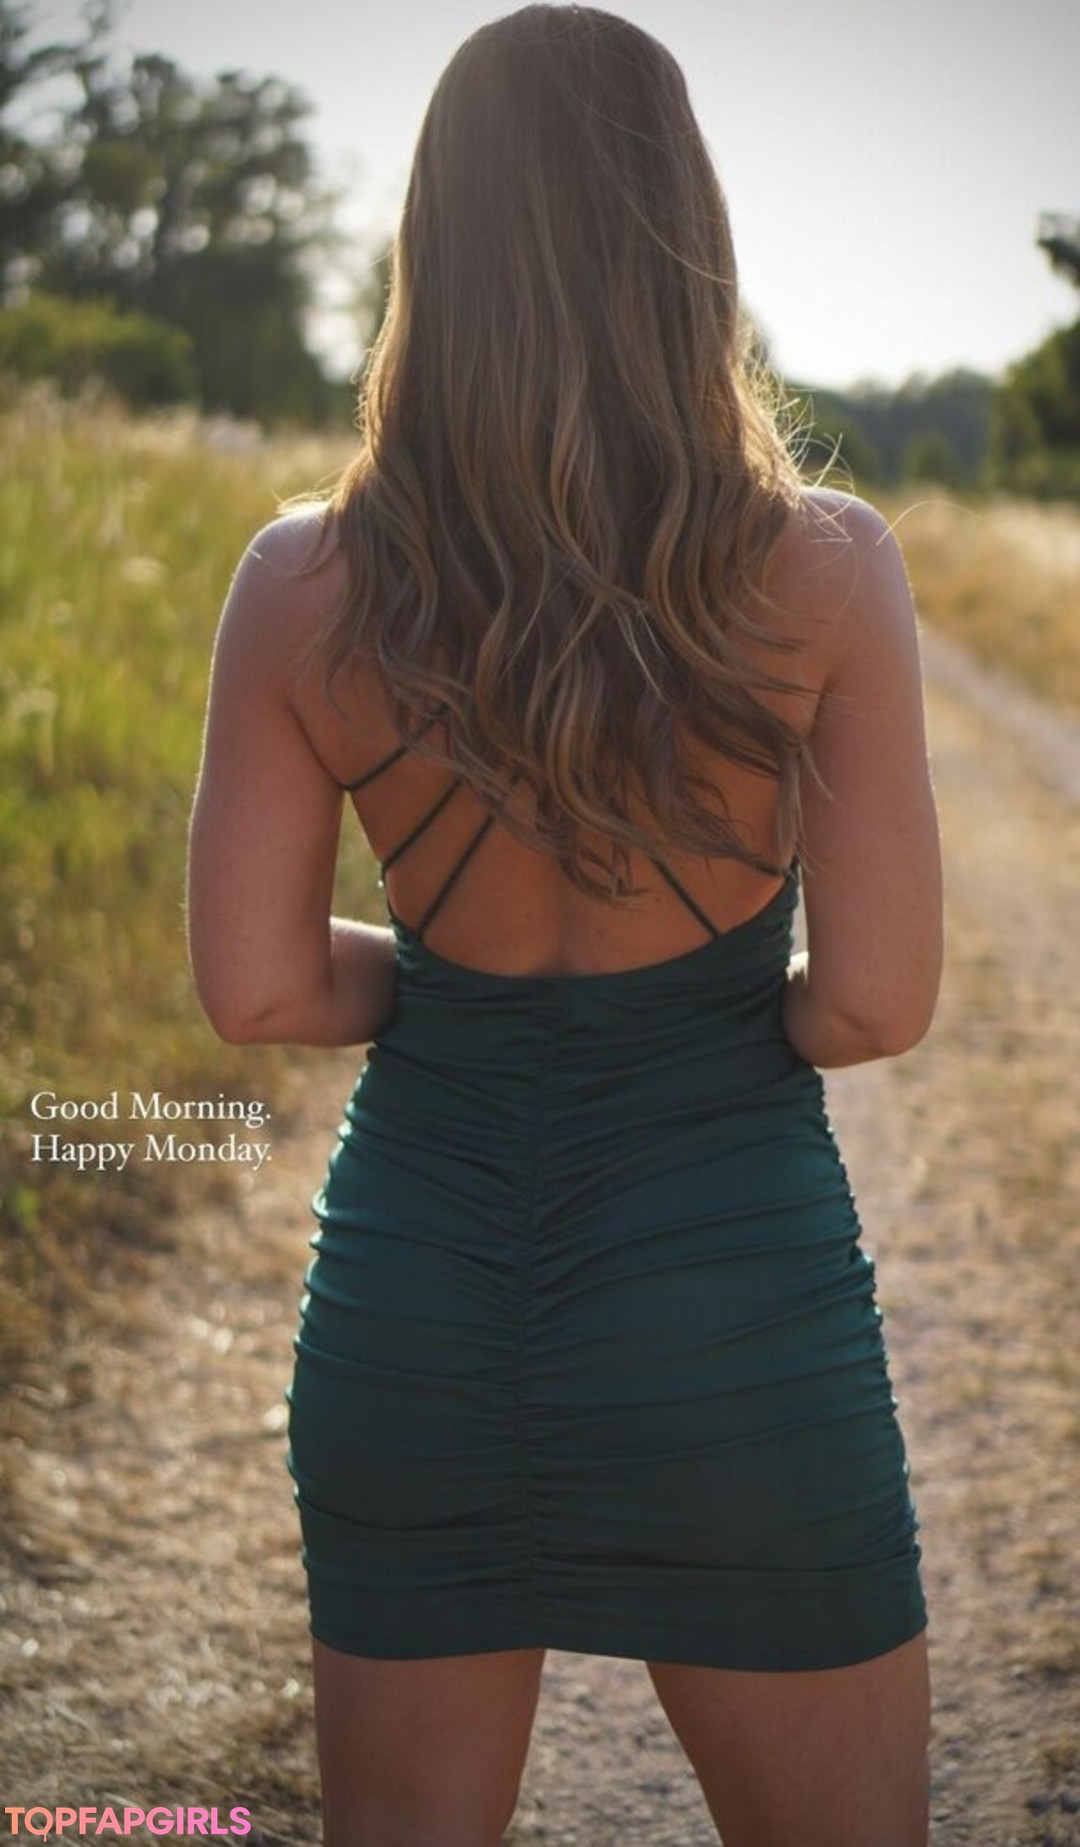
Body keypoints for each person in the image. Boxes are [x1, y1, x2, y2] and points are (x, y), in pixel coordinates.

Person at [186, 6, 943, 1843]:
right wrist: (704, 1015)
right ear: (686, 237)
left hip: (420, 1305)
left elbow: (258, 989)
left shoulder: (303, 582)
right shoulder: (823, 570)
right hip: (735, 1314)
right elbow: (874, 1006)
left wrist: (461, 993)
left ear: (430, 240)